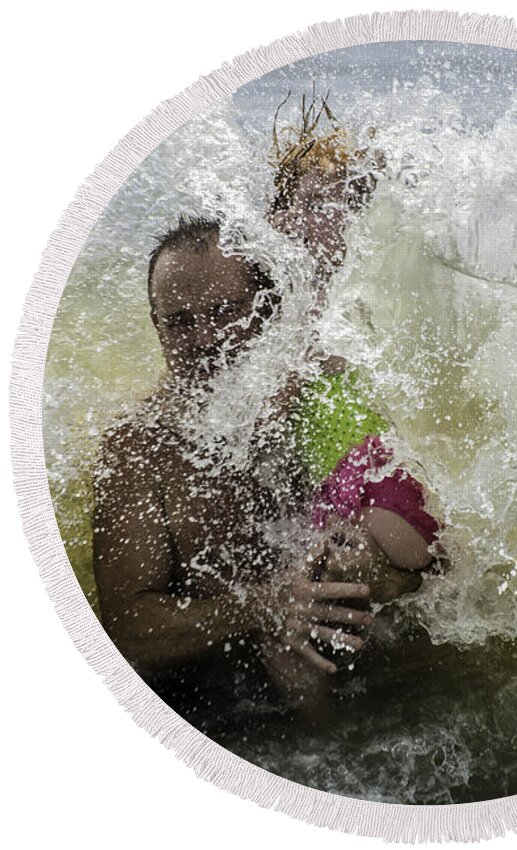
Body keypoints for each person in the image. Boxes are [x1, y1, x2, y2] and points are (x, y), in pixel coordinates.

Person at [92, 215, 376, 722]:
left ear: (266, 312)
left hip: (345, 675)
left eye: (225, 312)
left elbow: (431, 547)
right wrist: (262, 608)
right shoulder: (138, 449)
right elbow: (128, 627)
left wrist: (376, 566)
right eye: (179, 321)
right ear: (156, 327)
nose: (204, 338)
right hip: (210, 712)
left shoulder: (323, 392)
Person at [265, 92, 446, 591]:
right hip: (337, 485)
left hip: (374, 474)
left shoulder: (359, 290)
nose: (326, 217)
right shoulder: (277, 299)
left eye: (340, 204)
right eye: (310, 202)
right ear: (278, 218)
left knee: (395, 577)